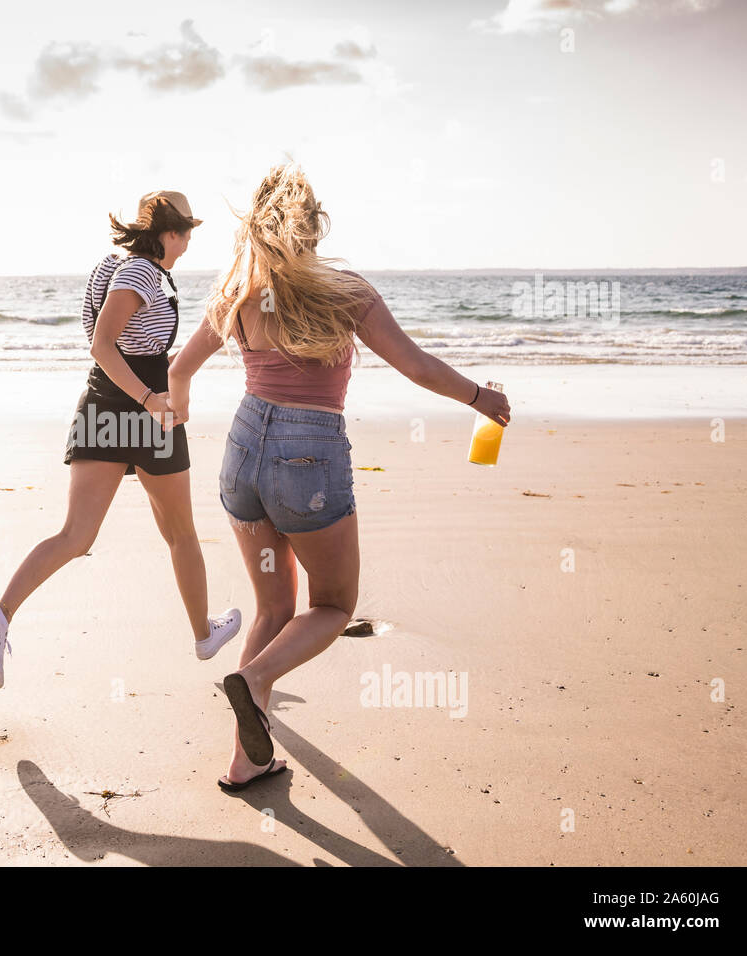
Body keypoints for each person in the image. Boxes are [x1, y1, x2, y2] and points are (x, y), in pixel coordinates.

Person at [167, 164, 511, 790]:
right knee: (332, 604)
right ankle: (254, 680)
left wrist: (179, 407)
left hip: (242, 452)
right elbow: (414, 365)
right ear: (314, 226)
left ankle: (247, 759)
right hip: (308, 455)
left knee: (274, 604)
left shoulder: (237, 292)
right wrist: (479, 397)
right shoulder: (346, 290)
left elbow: (181, 368)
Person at [0, 190, 242, 690]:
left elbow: (107, 342)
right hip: (141, 413)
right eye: (187, 230)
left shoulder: (115, 265)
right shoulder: (140, 273)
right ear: (169, 233)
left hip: (103, 408)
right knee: (181, 534)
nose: (189, 240)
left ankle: (1, 615)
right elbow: (102, 343)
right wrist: (150, 399)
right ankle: (204, 635)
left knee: (76, 536)